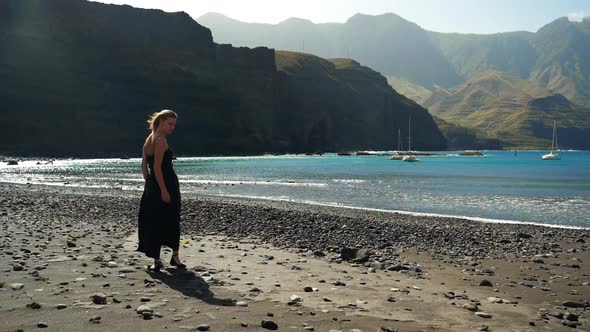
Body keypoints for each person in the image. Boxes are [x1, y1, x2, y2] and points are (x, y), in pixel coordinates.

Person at [137, 109, 185, 271]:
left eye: (174, 125)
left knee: (154, 220)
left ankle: (157, 260)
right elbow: (157, 167)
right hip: (166, 183)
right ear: (162, 121)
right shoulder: (160, 140)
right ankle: (175, 257)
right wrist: (163, 190)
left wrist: (149, 183)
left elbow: (144, 166)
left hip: (153, 184)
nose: (172, 128)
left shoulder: (149, 139)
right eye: (170, 124)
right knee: (171, 218)